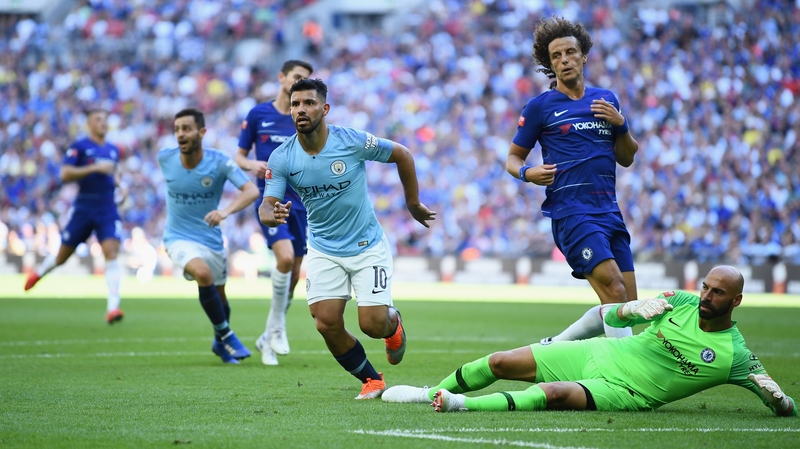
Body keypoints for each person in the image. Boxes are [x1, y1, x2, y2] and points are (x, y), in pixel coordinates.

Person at [382, 266, 798, 418]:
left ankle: (458, 404)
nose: (706, 297)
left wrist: (780, 401)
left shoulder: (736, 356)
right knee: (500, 362)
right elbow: (609, 315)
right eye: (706, 287)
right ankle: (430, 391)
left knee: (553, 393)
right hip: (602, 352)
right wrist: (632, 310)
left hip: (625, 391)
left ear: (736, 301)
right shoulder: (682, 302)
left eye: (717, 293)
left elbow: (783, 406)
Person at [259, 78, 436, 399]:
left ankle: (392, 324)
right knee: (325, 322)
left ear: (324, 109)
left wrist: (412, 203)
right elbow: (267, 205)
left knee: (372, 324)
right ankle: (372, 379)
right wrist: (270, 213)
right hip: (325, 249)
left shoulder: (351, 141)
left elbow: (403, 154)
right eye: (295, 103)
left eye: (309, 103)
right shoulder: (282, 157)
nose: (301, 109)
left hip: (367, 246)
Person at [505, 16, 640, 342]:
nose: (564, 60)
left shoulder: (606, 99)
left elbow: (627, 157)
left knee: (628, 305)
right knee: (615, 291)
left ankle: (555, 346)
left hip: (608, 211)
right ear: (549, 64)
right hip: (571, 212)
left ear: (583, 56)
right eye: (556, 56)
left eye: (570, 52)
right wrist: (527, 173)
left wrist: (621, 124)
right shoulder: (540, 107)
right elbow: (512, 158)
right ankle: (627, 378)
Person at [158, 108, 260, 364]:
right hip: (177, 237)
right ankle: (227, 335)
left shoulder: (219, 162)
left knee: (221, 300)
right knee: (202, 274)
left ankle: (219, 342)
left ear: (201, 132)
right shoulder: (165, 158)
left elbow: (250, 191)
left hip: (211, 239)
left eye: (187, 128)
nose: (181, 134)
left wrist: (224, 211)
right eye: (177, 129)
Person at [235, 60, 314, 366]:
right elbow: (239, 156)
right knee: (282, 260)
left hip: (302, 204)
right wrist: (253, 165)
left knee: (293, 275)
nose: (300, 84)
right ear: (282, 78)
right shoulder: (259, 114)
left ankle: (268, 336)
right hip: (271, 202)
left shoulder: (304, 117)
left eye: (306, 81)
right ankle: (277, 331)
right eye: (296, 78)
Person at [25, 109, 127, 324]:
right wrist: (94, 168)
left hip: (107, 207)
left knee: (111, 253)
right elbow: (65, 174)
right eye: (98, 120)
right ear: (89, 125)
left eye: (105, 120)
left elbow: (113, 173)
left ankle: (113, 308)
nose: (103, 124)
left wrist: (121, 185)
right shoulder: (80, 147)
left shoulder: (112, 149)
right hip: (84, 207)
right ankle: (40, 272)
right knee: (62, 256)